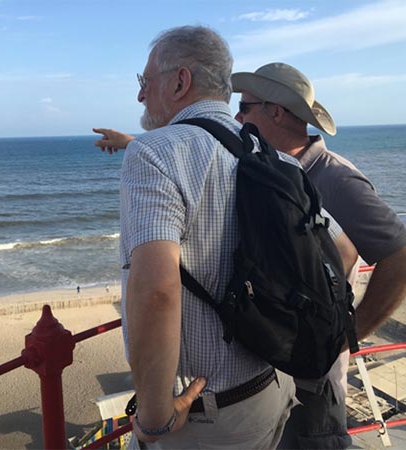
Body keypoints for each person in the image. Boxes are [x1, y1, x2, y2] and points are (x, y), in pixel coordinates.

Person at [114, 25, 355, 449]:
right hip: (271, 391)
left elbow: (156, 291)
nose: (139, 96)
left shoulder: (153, 152)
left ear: (179, 81)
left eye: (144, 83)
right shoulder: (276, 159)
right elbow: (343, 250)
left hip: (207, 418)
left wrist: (153, 418)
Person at [231, 62, 406, 449]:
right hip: (269, 380)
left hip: (312, 392)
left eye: (245, 106)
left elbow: (405, 260)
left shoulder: (333, 177)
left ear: (276, 112)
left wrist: (346, 338)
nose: (237, 116)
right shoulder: (266, 173)